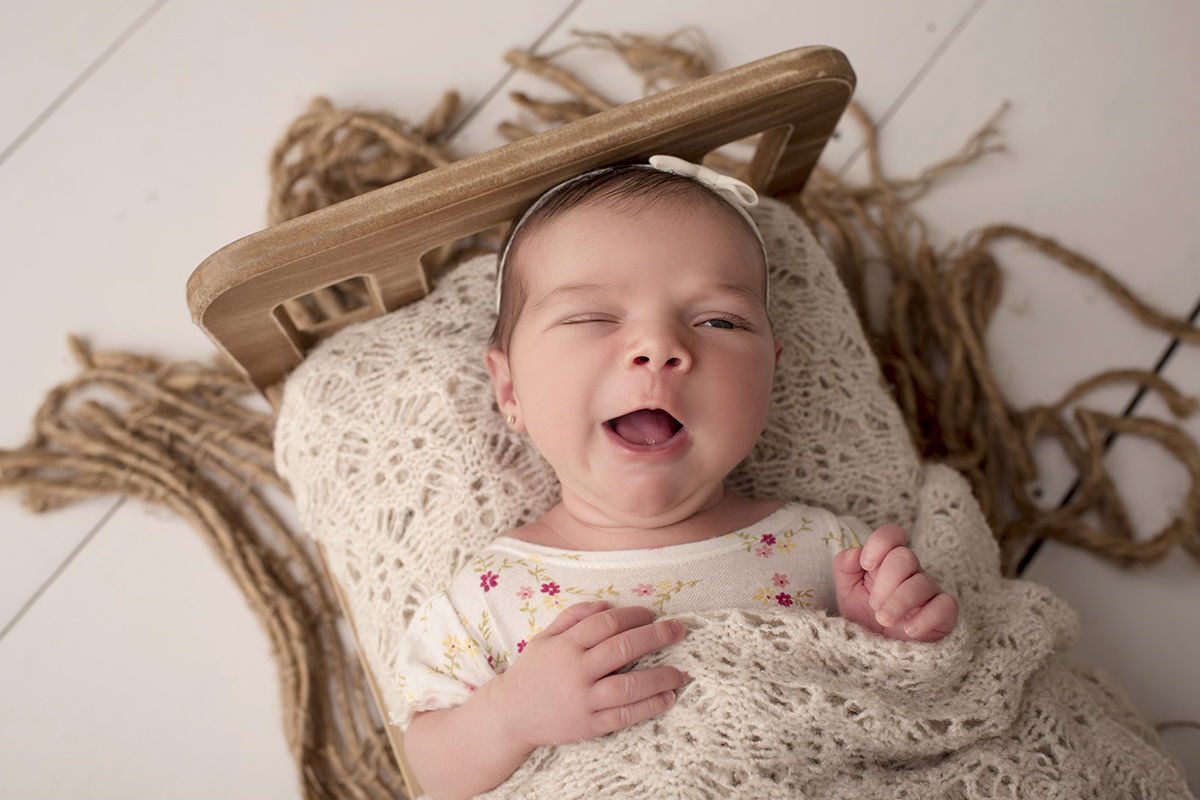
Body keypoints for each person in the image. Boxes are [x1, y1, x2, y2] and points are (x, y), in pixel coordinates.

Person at [397, 156, 959, 800]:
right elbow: (433, 772)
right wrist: (510, 715)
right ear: (509, 389)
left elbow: (900, 717)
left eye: (719, 321)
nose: (658, 346)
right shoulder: (488, 597)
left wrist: (889, 637)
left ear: (770, 376)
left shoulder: (828, 551)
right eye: (592, 318)